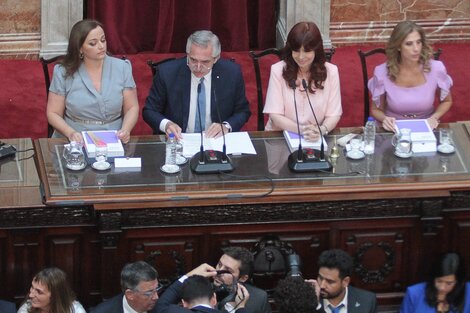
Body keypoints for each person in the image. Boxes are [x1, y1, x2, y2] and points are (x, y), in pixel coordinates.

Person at [142, 30, 251, 140]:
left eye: (205, 62)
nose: (198, 67)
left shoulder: (231, 73)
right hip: (179, 140)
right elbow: (149, 111)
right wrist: (167, 124)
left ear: (216, 58)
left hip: (216, 141)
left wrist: (226, 126)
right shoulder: (167, 73)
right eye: (193, 60)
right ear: (187, 54)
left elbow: (242, 111)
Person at [47, 19, 139, 144]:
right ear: (80, 48)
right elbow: (53, 113)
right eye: (93, 43)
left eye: (103, 40)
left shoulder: (122, 67)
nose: (101, 46)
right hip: (75, 138)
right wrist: (70, 133)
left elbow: (132, 107)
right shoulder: (63, 72)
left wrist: (125, 130)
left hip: (113, 138)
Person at [263, 21, 342, 142]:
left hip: (315, 138)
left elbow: (334, 114)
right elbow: (275, 114)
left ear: (317, 49)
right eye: (296, 50)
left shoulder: (331, 72)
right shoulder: (278, 70)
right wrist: (302, 130)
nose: (301, 57)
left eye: (307, 51)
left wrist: (322, 129)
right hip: (279, 137)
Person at [368, 20, 453, 132]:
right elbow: (375, 109)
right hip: (393, 129)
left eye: (418, 42)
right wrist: (385, 119)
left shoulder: (437, 68)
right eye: (409, 44)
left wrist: (434, 117)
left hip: (426, 127)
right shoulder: (382, 72)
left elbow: (447, 101)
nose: (416, 49)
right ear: (398, 46)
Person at [155, 264, 249, 313]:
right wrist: (241, 307)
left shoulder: (173, 312)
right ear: (214, 299)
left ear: (184, 304)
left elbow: (160, 305)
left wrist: (188, 275)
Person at [306, 249, 377, 313]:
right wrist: (317, 306)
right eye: (320, 278)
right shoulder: (306, 301)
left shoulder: (367, 301)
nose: (322, 285)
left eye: (330, 281)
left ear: (345, 281)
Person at [400, 252, 470, 313]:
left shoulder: (468, 292)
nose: (442, 288)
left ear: (459, 282)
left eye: (449, 283)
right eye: (439, 281)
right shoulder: (414, 293)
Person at [214, 247, 271, 313]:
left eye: (227, 270)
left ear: (243, 278)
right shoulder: (203, 291)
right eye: (219, 264)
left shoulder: (260, 298)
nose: (218, 272)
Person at [91, 261, 159, 313]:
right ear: (130, 294)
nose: (156, 297)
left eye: (157, 289)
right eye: (149, 293)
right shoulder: (103, 311)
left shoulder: (160, 308)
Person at [17, 267, 86, 313]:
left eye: (39, 292)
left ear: (55, 296)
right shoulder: (26, 309)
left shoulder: (76, 310)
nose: (31, 295)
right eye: (32, 287)